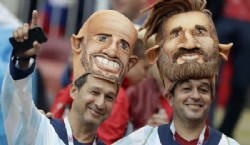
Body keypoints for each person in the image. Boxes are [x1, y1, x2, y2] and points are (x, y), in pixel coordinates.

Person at [1, 9, 138, 145]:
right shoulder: (41, 131)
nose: (100, 103)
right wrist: (23, 59)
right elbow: (15, 106)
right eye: (94, 92)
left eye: (109, 97)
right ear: (74, 91)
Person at [113, 0, 238, 144]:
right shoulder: (141, 139)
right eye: (186, 89)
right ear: (170, 96)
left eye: (203, 90)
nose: (195, 96)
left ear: (212, 96)